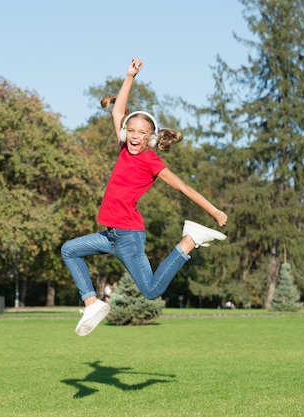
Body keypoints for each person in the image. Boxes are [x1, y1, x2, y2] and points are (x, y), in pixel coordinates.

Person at [61, 58, 228, 336]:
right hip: (110, 235)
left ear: (151, 138)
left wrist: (215, 212)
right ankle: (92, 303)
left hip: (129, 236)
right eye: (132, 131)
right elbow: (118, 112)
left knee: (150, 291)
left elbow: (184, 188)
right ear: (126, 133)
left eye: (143, 133)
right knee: (69, 249)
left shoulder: (151, 161)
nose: (136, 136)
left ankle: (189, 241)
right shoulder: (124, 149)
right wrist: (129, 77)